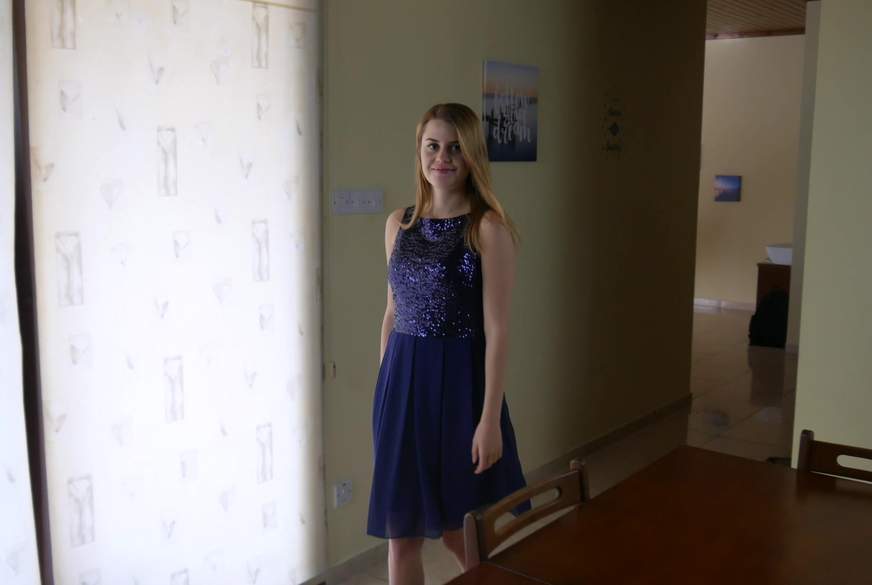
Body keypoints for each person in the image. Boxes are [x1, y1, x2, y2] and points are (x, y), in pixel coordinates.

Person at [367, 103, 528, 584]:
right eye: (432, 146)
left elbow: (498, 330)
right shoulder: (398, 224)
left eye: (455, 148)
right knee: (401, 537)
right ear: (419, 151)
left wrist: (489, 420)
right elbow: (392, 312)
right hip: (403, 388)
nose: (442, 158)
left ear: (472, 154)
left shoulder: (487, 228)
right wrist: (386, 391)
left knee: (463, 535)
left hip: (460, 388)